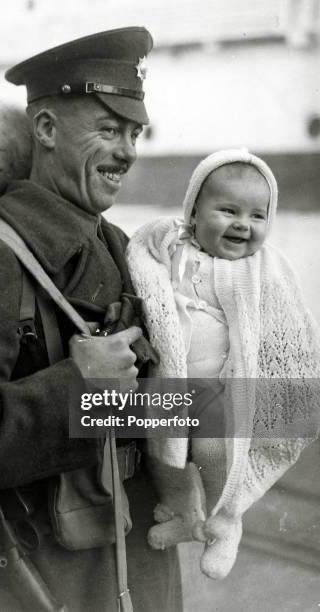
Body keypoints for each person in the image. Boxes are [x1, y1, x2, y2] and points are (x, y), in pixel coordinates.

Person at [0, 27, 182, 611]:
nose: (126, 150)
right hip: (47, 578)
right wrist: (79, 392)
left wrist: (229, 402)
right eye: (107, 129)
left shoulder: (122, 248)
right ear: (46, 130)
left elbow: (146, 403)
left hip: (137, 557)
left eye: (133, 133)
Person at [127, 149, 320, 580]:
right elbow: (143, 249)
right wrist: (158, 235)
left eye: (257, 216)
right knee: (163, 455)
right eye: (228, 210)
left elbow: (287, 328)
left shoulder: (264, 269)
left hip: (220, 387)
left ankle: (226, 519)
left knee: (213, 452)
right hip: (171, 382)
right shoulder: (175, 249)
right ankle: (185, 513)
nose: (242, 224)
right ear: (193, 213)